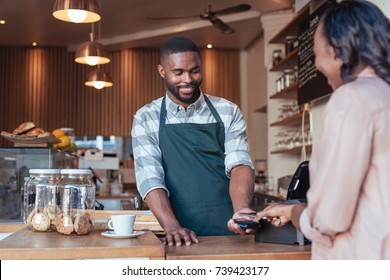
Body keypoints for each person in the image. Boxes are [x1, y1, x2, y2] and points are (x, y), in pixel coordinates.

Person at [256, 0, 390, 259]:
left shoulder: (350, 100)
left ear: (338, 50)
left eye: (317, 52)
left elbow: (330, 217)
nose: (316, 64)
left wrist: (296, 213)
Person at [131, 36, 255, 247]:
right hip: (177, 232)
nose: (188, 79)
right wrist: (171, 226)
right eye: (178, 72)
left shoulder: (228, 111)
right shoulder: (146, 117)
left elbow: (239, 164)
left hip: (229, 227)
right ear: (162, 71)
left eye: (194, 70)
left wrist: (241, 212)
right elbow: (150, 178)